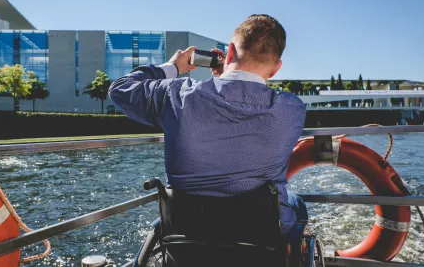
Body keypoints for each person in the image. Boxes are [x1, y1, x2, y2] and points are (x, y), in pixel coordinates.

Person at [108, 14, 307, 240]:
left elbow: (120, 89)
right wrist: (229, 75)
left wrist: (173, 67)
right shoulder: (292, 110)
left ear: (230, 51)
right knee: (295, 202)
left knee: (160, 225)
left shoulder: (177, 95)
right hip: (259, 236)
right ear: (276, 68)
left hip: (187, 235)